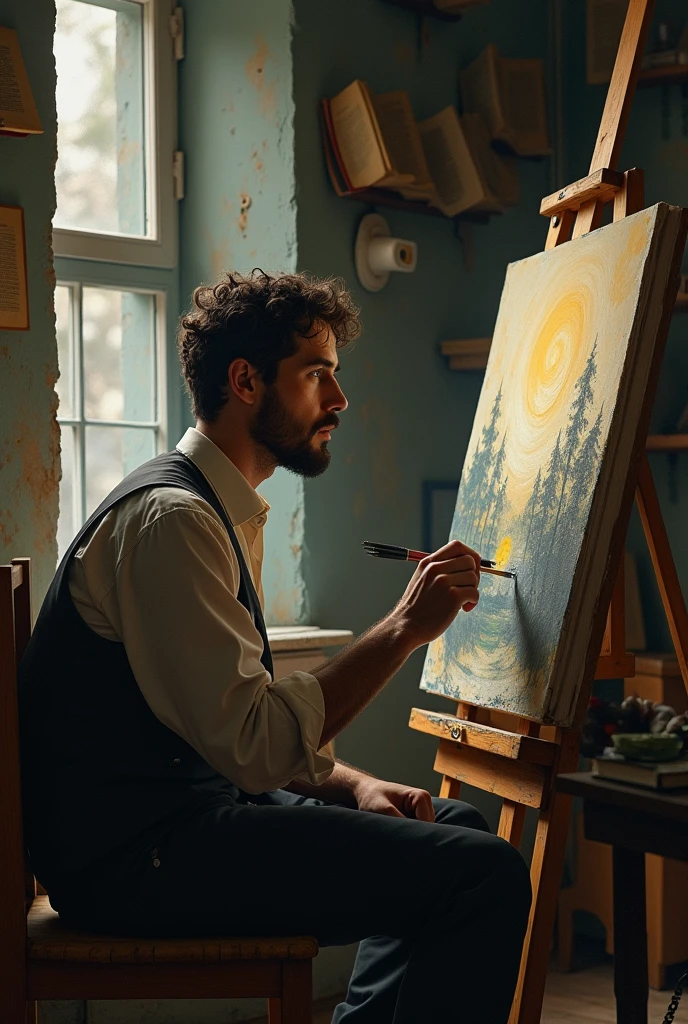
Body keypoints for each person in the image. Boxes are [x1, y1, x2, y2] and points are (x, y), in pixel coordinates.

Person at [19, 270, 531, 1024]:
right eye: (317, 373)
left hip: (182, 823)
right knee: (482, 874)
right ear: (246, 381)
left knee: (450, 829)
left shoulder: (214, 510)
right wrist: (403, 628)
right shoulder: (175, 522)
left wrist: (350, 784)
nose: (339, 399)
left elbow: (238, 729)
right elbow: (255, 748)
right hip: (135, 862)